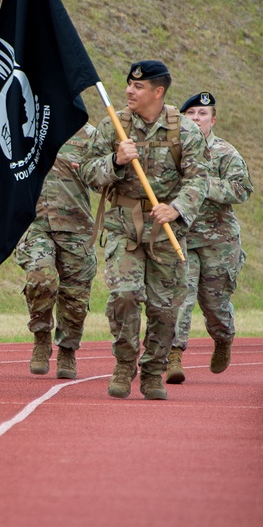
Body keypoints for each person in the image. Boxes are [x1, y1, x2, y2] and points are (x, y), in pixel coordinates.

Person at [79, 60, 212, 400]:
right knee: (124, 295)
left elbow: (198, 179)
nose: (129, 91)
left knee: (164, 307)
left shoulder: (184, 130)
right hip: (124, 226)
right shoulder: (114, 126)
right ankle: (125, 364)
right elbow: (88, 173)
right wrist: (115, 161)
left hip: (166, 230)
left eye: (138, 87)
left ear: (158, 92)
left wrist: (177, 208)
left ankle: (153, 371)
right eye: (128, 85)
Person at [166, 91, 252, 384]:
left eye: (202, 114)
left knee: (215, 305)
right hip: (182, 238)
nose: (196, 118)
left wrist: (204, 185)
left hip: (219, 241)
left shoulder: (226, 153)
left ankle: (223, 338)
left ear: (212, 120)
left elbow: (242, 190)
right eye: (190, 114)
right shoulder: (172, 152)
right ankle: (173, 356)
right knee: (180, 297)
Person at [14, 123, 98, 379]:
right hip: (35, 223)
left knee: (75, 298)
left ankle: (67, 350)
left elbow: (104, 181)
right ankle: (41, 336)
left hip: (77, 227)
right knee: (41, 277)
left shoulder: (91, 135)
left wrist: (110, 166)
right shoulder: (24, 127)